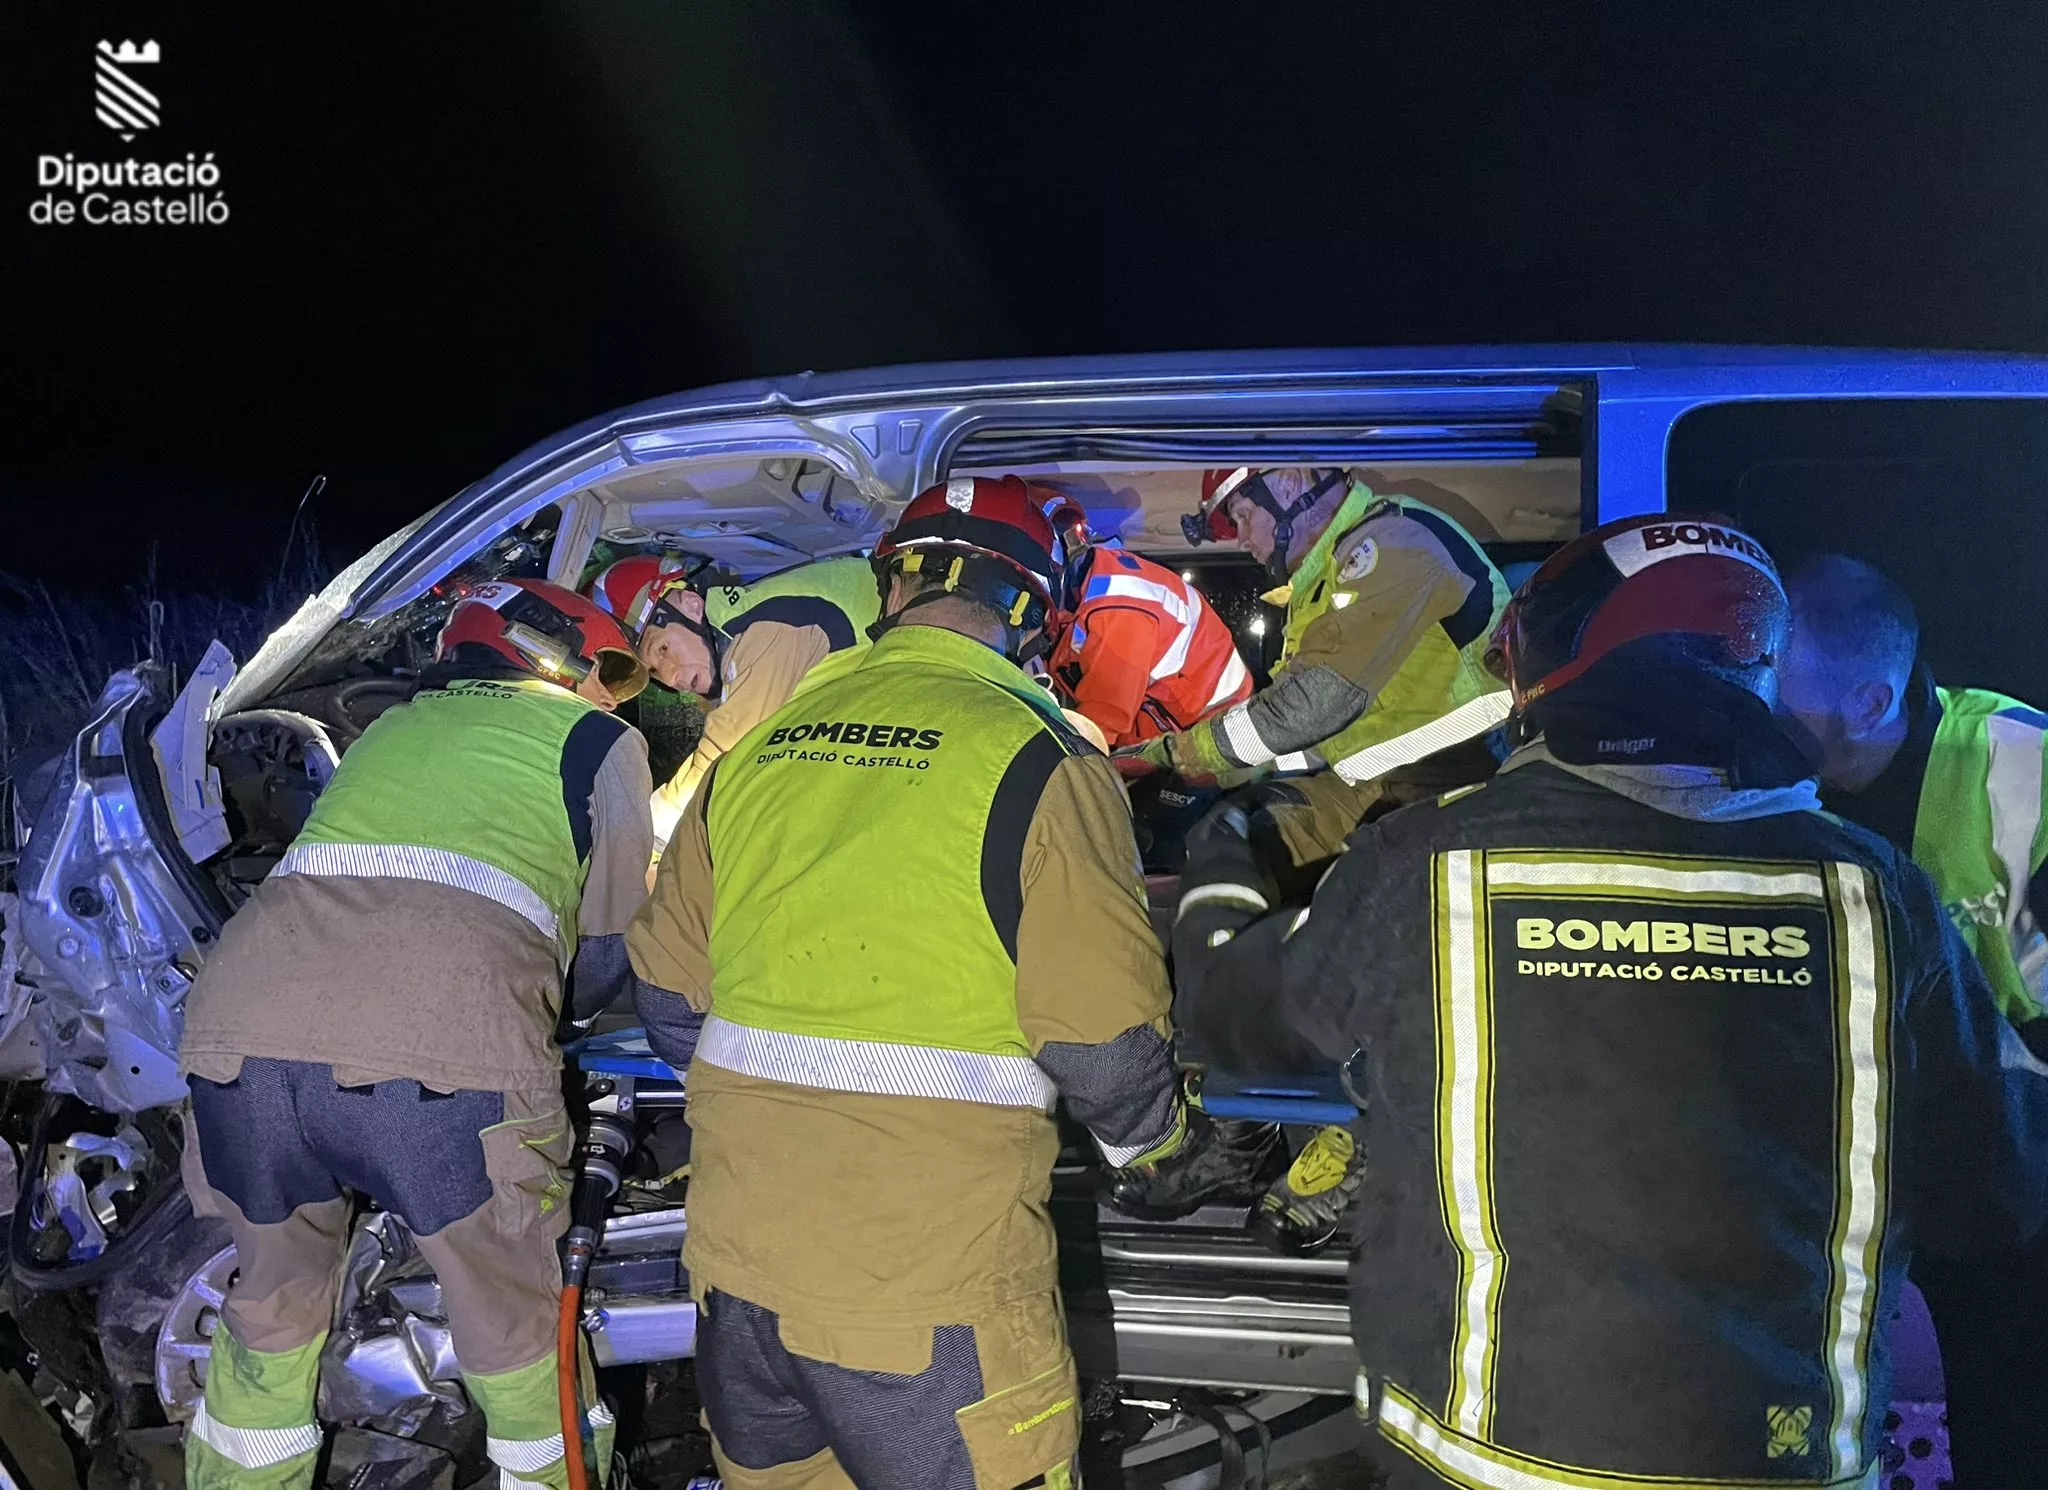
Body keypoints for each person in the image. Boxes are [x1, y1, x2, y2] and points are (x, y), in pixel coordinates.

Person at [1169, 515, 2048, 1487]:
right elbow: (1991, 1198)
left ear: (1551, 665)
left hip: (1481, 1456)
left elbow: (1234, 1019)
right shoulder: (1874, 892)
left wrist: (1227, 849)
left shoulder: (1426, 861)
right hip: (1776, 1461)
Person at [625, 476, 1271, 1490]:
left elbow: (666, 1001)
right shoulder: (1044, 760)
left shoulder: (752, 754)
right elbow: (1101, 1049)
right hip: (927, 1315)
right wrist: (1167, 1155)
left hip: (736, 1292)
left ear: (890, 588)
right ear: (1036, 614)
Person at [175, 579, 658, 1490]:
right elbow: (606, 951)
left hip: (235, 1045)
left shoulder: (389, 729)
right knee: (515, 1333)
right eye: (611, 668)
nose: (612, 691)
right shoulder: (602, 740)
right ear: (556, 651)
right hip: (443, 1068)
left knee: (272, 1310)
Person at [1778, 551, 2048, 1485]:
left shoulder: (2021, 767)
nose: (1758, 722)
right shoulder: (1778, 780)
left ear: (1867, 702)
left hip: (2006, 1144)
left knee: (2012, 1394)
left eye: (1782, 701)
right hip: (1842, 1151)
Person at [1116, 467, 1512, 787]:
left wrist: (1179, 753)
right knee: (1231, 828)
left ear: (1288, 483)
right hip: (1385, 776)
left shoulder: (1394, 540)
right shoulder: (1320, 583)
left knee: (1235, 840)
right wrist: (1226, 775)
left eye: (1242, 516)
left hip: (1466, 767)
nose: (1240, 540)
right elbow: (1313, 737)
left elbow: (1318, 702)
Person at [586, 550, 880, 848]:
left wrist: (651, 827)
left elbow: (727, 748)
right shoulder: (739, 627)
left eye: (662, 649)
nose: (671, 678)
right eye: (654, 671)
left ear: (690, 604)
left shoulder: (769, 624)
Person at [1042, 500, 1252, 749]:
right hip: (1181, 727)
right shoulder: (1093, 592)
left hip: (1211, 735)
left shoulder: (1121, 606)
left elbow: (1101, 722)